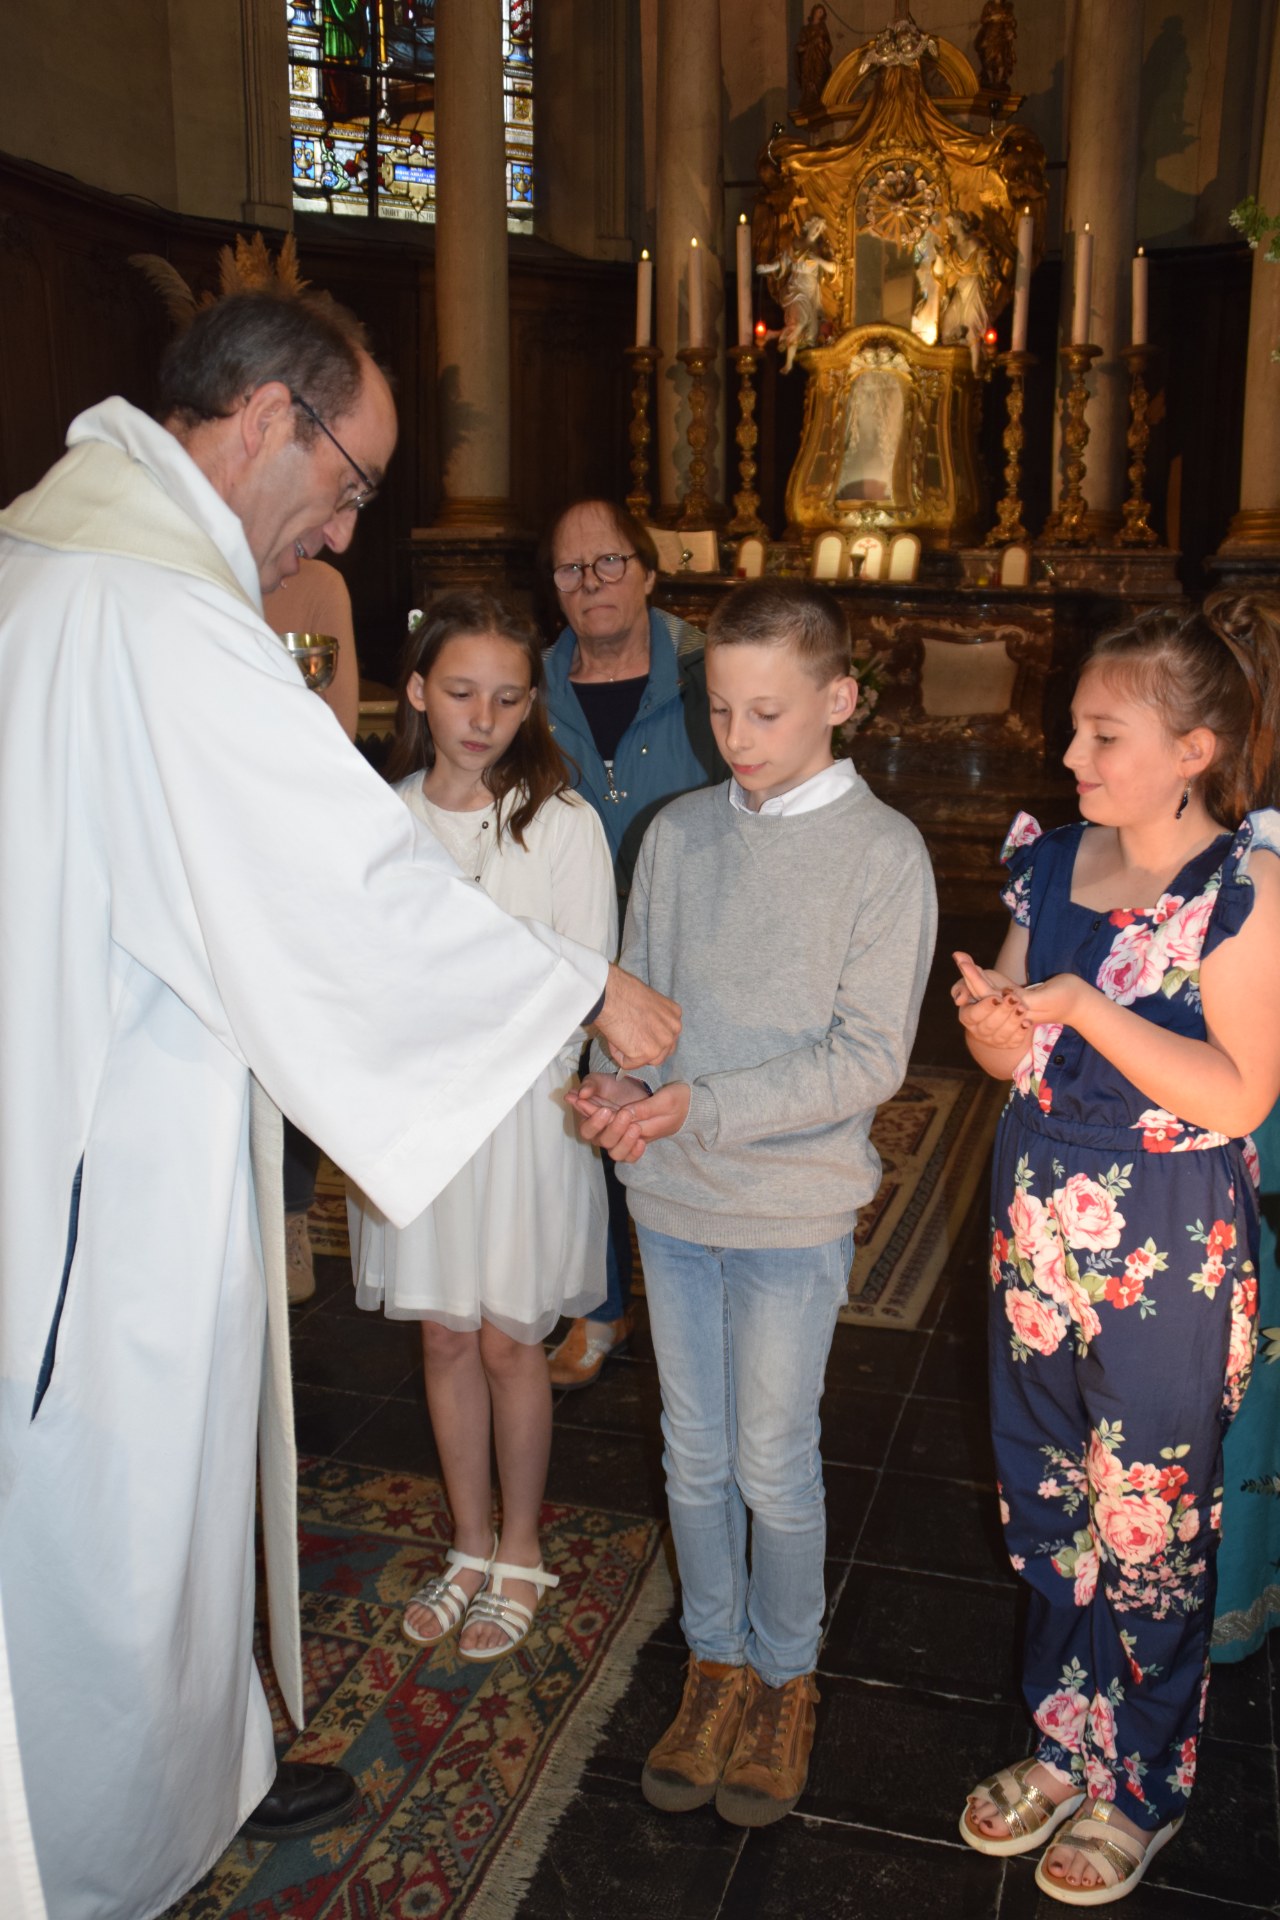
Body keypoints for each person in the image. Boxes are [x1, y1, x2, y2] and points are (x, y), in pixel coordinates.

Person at [0, 290, 678, 1920]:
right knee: (114, 1496)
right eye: (355, 478)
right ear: (269, 424)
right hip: (101, 1161)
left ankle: (191, 1766)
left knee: (159, 1497)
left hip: (96, 1092)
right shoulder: (146, 608)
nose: (346, 523)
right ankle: (102, 1846)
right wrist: (583, 987)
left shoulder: (48, 557)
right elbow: (339, 876)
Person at [568, 579, 937, 1827]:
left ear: (838, 699)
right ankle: (713, 1664)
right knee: (690, 1449)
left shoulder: (882, 856)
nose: (736, 737)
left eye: (767, 712)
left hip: (787, 1209)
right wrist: (610, 1085)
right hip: (671, 1195)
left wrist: (702, 1107)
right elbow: (641, 1007)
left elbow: (867, 1058)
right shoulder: (675, 837)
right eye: (719, 708)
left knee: (772, 1460)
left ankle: (786, 1679)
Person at [952, 594, 1280, 1905]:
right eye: (1078, 732)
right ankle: (1057, 1736)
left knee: (1147, 1516)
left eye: (1104, 735)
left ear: (1194, 751)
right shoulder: (1055, 860)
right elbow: (1016, 1054)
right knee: (1045, 1496)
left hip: (1163, 1234)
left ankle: (1137, 1779)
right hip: (1035, 1212)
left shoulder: (1241, 892)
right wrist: (996, 1023)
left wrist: (1084, 1004)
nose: (1075, 759)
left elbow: (1243, 1090)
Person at [349, 590, 615, 1658]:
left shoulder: (561, 825)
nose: (480, 717)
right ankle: (467, 1543)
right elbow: (369, 981)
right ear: (417, 691)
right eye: (459, 692)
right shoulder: (387, 820)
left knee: (513, 1342)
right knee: (444, 1337)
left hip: (518, 1125)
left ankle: (522, 1550)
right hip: (421, 1120)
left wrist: (486, 1053)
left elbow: (582, 988)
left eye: (506, 699)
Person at [542, 499, 724, 1391]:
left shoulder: (703, 672)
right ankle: (601, 1306)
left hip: (692, 941)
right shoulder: (531, 686)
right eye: (571, 570)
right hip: (575, 950)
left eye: (608, 563)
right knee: (589, 1120)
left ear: (648, 572)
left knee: (688, 1118)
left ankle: (705, 1303)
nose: (590, 585)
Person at [264, 554, 361, 1302]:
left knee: (289, 1039)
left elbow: (341, 721)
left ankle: (292, 1214)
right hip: (195, 833)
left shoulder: (320, 586)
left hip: (287, 841)